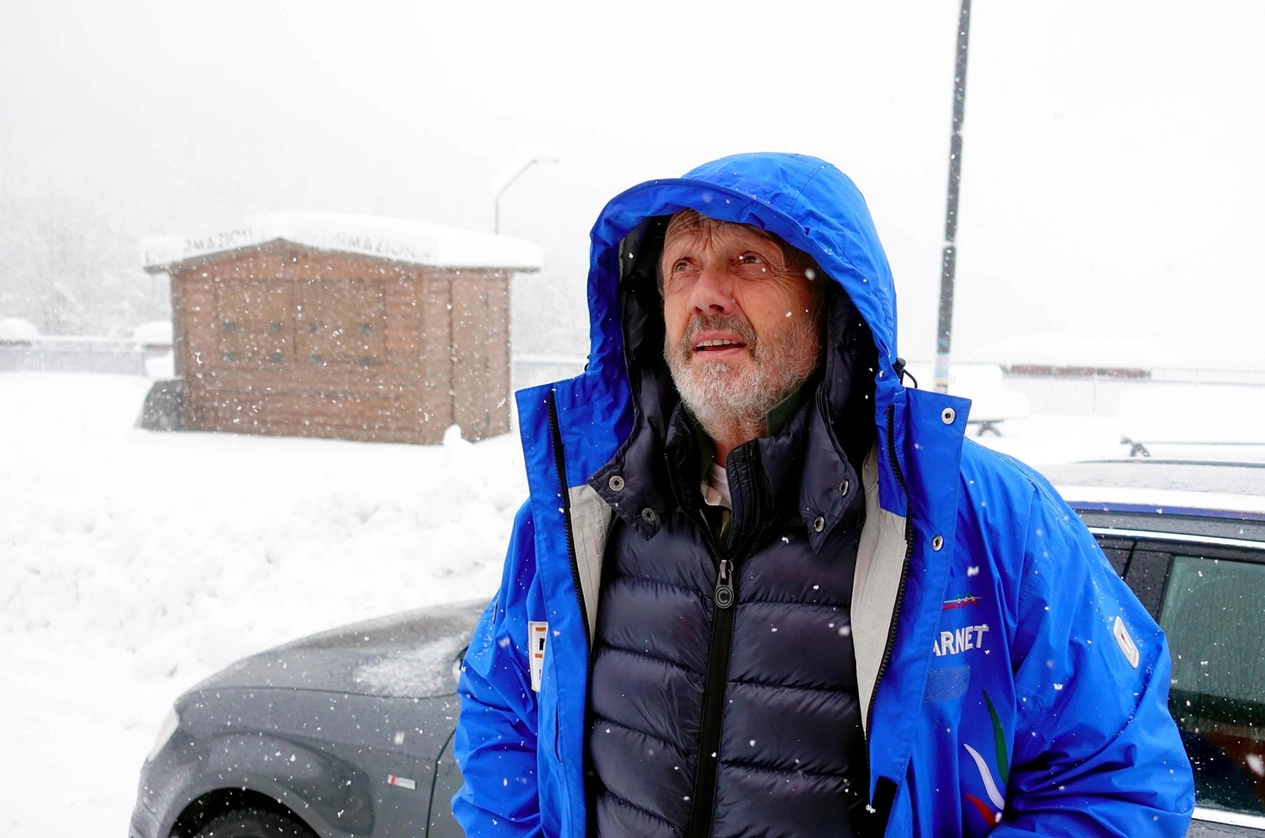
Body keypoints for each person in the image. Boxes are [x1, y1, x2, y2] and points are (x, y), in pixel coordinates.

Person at [452, 152, 1194, 837]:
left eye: (748, 259)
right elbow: (502, 713)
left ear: (829, 301)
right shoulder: (581, 514)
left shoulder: (982, 519)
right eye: (681, 265)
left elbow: (1120, 783)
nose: (707, 292)